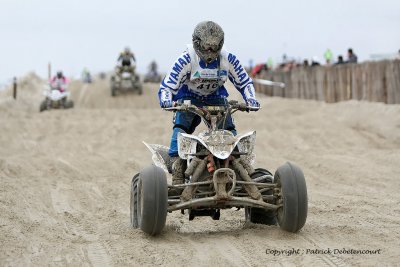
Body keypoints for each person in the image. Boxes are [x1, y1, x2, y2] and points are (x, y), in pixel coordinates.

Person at [158, 21, 260, 184]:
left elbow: (245, 81)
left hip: (216, 97)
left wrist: (251, 99)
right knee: (181, 129)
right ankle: (177, 164)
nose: (210, 52)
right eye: (206, 47)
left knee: (229, 133)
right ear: (197, 43)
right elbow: (168, 85)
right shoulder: (186, 59)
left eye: (214, 47)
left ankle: (238, 163)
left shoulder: (227, 59)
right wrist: (166, 100)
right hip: (189, 98)